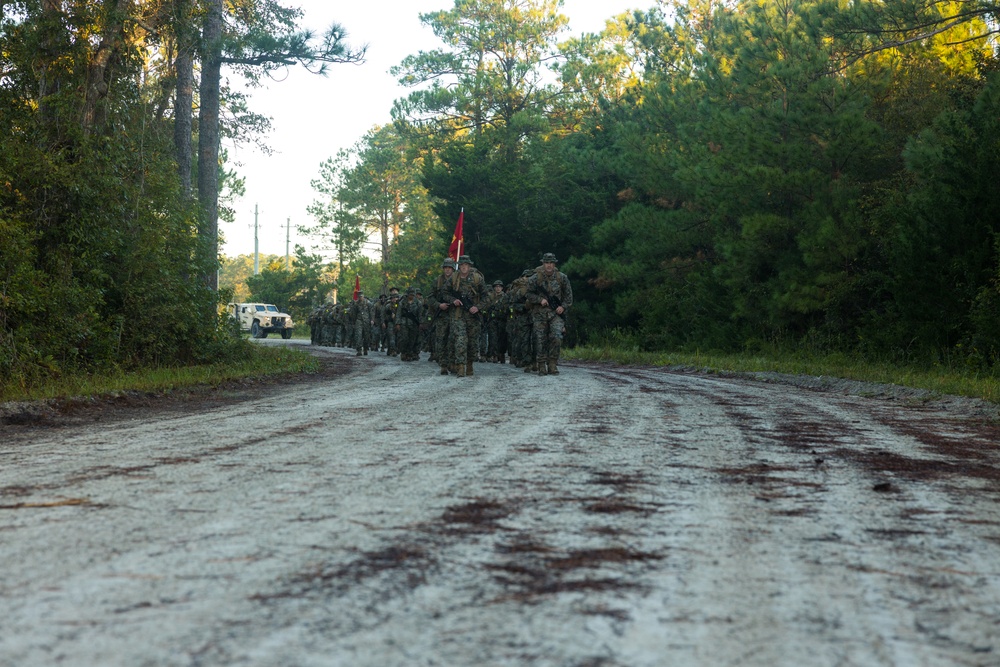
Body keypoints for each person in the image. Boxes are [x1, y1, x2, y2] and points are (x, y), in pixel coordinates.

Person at [525, 252, 573, 375]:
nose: (549, 265)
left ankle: (552, 363)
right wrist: (540, 300)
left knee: (556, 337)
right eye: (547, 262)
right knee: (540, 340)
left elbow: (568, 297)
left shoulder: (562, 278)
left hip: (555, 314)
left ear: (554, 264)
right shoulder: (534, 279)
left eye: (551, 263)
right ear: (543, 263)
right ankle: (541, 364)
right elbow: (528, 294)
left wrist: (563, 307)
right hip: (539, 314)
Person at [447, 255, 486, 377]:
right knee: (460, 340)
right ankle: (460, 367)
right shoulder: (453, 278)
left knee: (473, 342)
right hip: (458, 315)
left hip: (473, 316)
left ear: (469, 266)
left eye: (466, 265)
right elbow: (444, 292)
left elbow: (487, 296)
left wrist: (478, 307)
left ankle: (469, 364)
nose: (464, 267)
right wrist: (453, 300)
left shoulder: (477, 279)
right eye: (462, 265)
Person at [426, 257, 457, 374]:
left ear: (453, 269)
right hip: (441, 315)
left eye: (450, 268)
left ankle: (452, 363)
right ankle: (443, 364)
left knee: (454, 339)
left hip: (455, 313)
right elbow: (430, 297)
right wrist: (439, 305)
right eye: (446, 268)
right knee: (441, 339)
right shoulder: (437, 281)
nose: (448, 270)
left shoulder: (457, 281)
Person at [395, 287, 423, 361]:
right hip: (404, 322)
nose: (411, 296)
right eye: (410, 295)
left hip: (414, 324)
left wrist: (421, 323)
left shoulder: (418, 303)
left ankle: (410, 353)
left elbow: (420, 314)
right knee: (404, 338)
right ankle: (404, 353)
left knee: (412, 339)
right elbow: (398, 313)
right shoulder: (402, 303)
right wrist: (398, 323)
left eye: (413, 295)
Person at [349, 289, 374, 356]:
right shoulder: (356, 304)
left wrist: (372, 320)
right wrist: (354, 322)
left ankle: (365, 348)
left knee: (366, 336)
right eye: (359, 296)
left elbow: (371, 312)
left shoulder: (368, 303)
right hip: (359, 321)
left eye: (361, 296)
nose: (360, 298)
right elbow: (354, 313)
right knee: (358, 335)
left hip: (367, 321)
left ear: (363, 296)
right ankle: (359, 350)